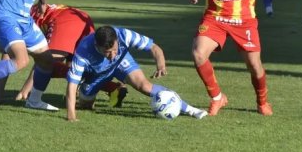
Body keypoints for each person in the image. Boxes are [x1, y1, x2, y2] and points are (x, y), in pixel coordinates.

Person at [65, 26, 208, 121]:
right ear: (97, 47)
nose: (112, 54)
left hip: (121, 63)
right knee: (85, 105)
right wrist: (71, 116)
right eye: (107, 52)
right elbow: (71, 85)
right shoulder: (83, 52)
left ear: (116, 40)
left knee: (145, 86)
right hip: (97, 73)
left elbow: (154, 47)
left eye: (115, 49)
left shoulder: (124, 35)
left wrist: (160, 64)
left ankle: (191, 110)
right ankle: (112, 88)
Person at [0, 4, 127, 107]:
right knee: (77, 68)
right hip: (82, 18)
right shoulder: (25, 11)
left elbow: (7, 57)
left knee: (45, 62)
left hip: (66, 22)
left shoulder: (13, 23)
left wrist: (9, 94)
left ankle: (26, 95)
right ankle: (113, 88)